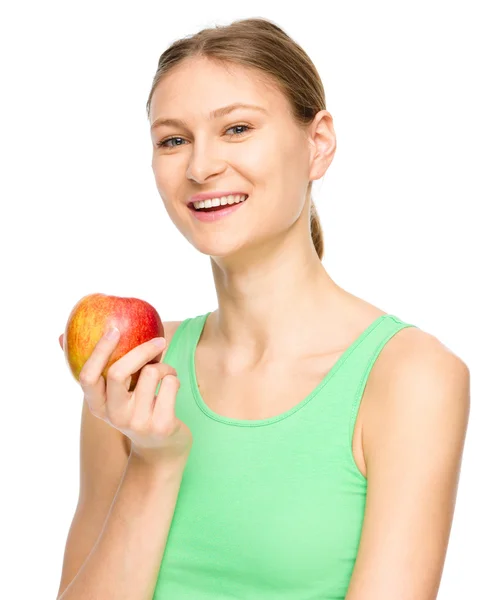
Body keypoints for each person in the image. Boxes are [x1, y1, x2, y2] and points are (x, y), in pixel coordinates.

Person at [56, 17, 470, 600]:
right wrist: (153, 459)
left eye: (238, 128)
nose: (200, 167)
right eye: (173, 140)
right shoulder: (134, 373)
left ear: (317, 143)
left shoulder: (408, 376)